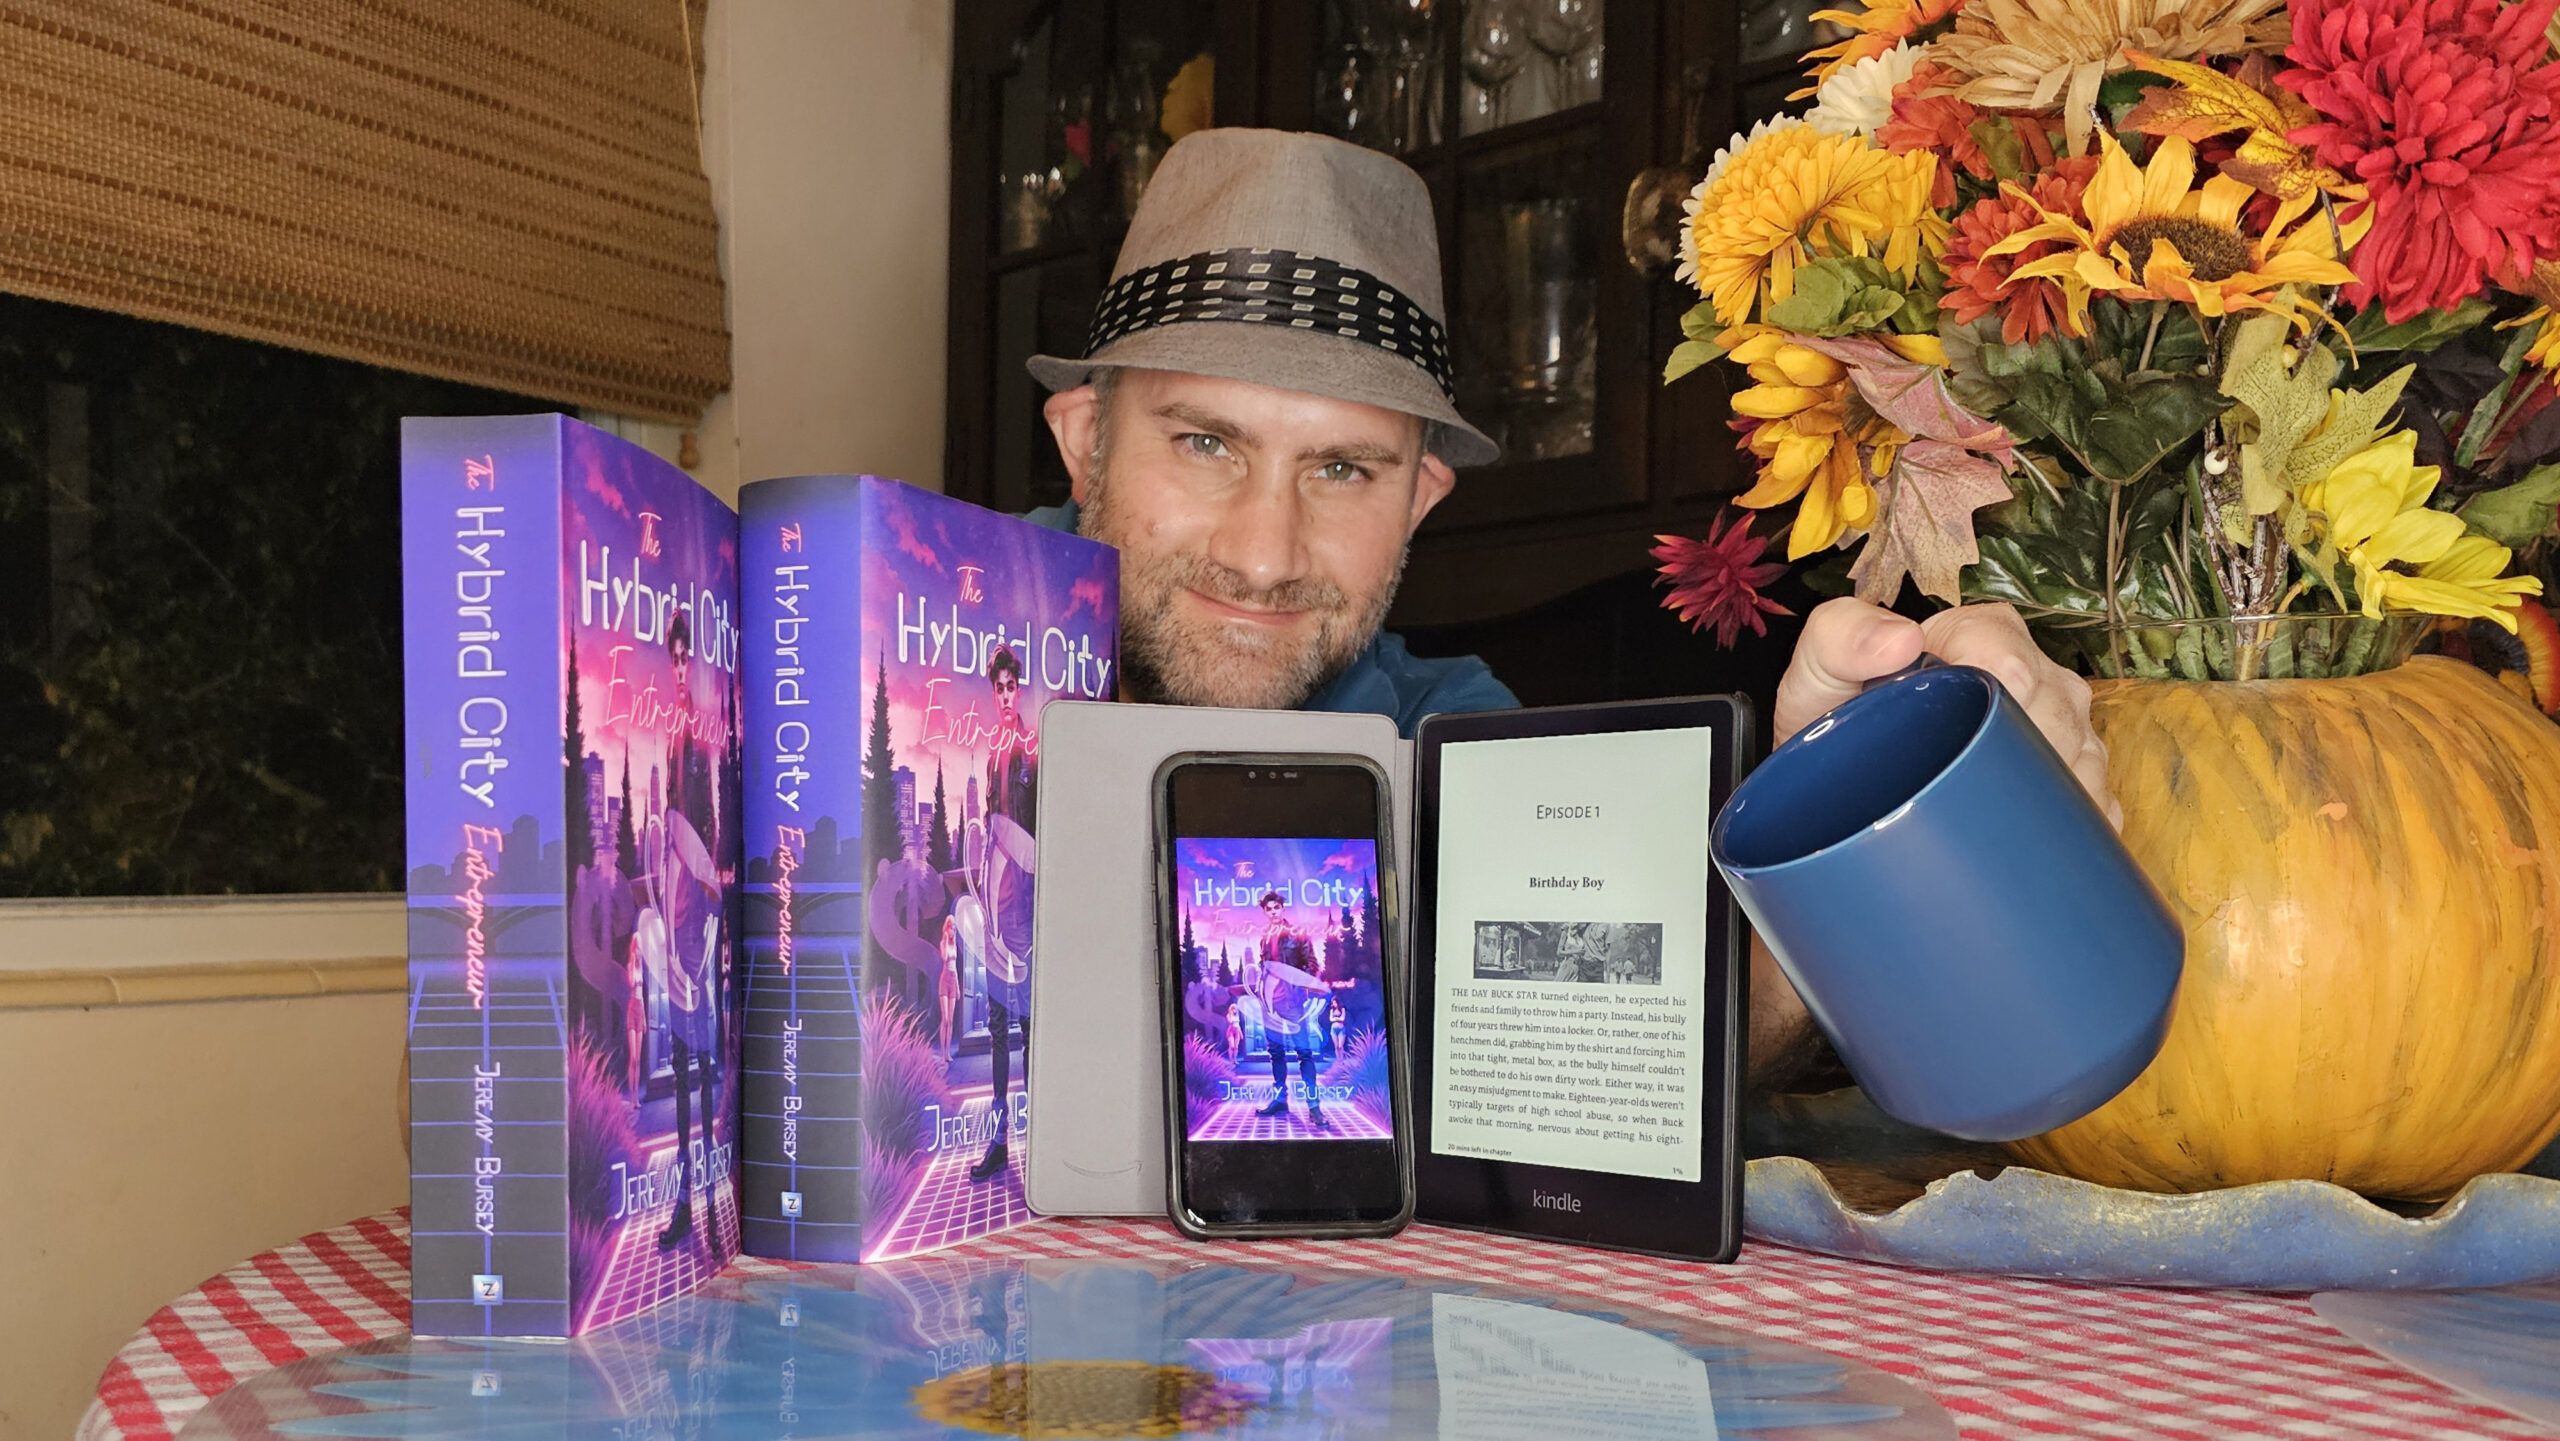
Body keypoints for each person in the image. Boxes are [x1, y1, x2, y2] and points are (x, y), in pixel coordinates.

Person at [1021, 128, 2115, 1090]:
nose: (1263, 555)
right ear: (1084, 445)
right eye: (1206, 442)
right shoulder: (898, 635)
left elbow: (1650, 1054)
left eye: (1344, 469)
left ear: (1418, 500)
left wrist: (1809, 833)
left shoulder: (1459, 743)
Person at [969, 646, 1038, 1183]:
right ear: (993, 692)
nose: (1007, 695)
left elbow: (1038, 834)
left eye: (1013, 685)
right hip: (997, 905)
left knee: (1029, 1024)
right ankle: (999, 1142)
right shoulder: (993, 752)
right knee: (997, 1026)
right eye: (1000, 687)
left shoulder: (1033, 751)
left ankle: (1039, 1139)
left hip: (1027, 909)